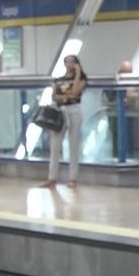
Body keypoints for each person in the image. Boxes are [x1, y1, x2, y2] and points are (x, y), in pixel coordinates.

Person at [42, 54, 88, 189]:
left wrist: (78, 73)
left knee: (73, 145)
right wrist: (66, 96)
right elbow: (54, 96)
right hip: (61, 111)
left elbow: (75, 92)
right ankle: (52, 177)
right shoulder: (58, 79)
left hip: (74, 110)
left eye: (72, 62)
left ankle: (73, 178)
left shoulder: (82, 79)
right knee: (55, 145)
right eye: (67, 61)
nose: (69, 64)